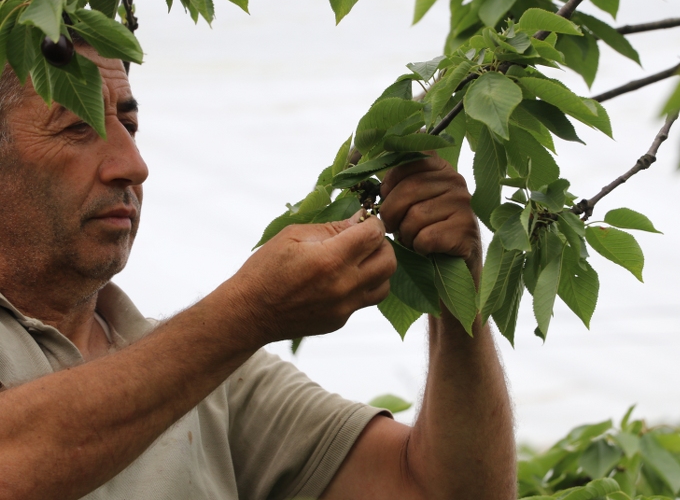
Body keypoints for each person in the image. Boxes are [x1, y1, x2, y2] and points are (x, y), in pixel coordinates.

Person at [0, 41, 515, 499]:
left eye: (130, 126)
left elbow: (439, 490)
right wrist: (246, 314)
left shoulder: (216, 380)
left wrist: (457, 289)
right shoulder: (209, 352)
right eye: (76, 127)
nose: (133, 164)